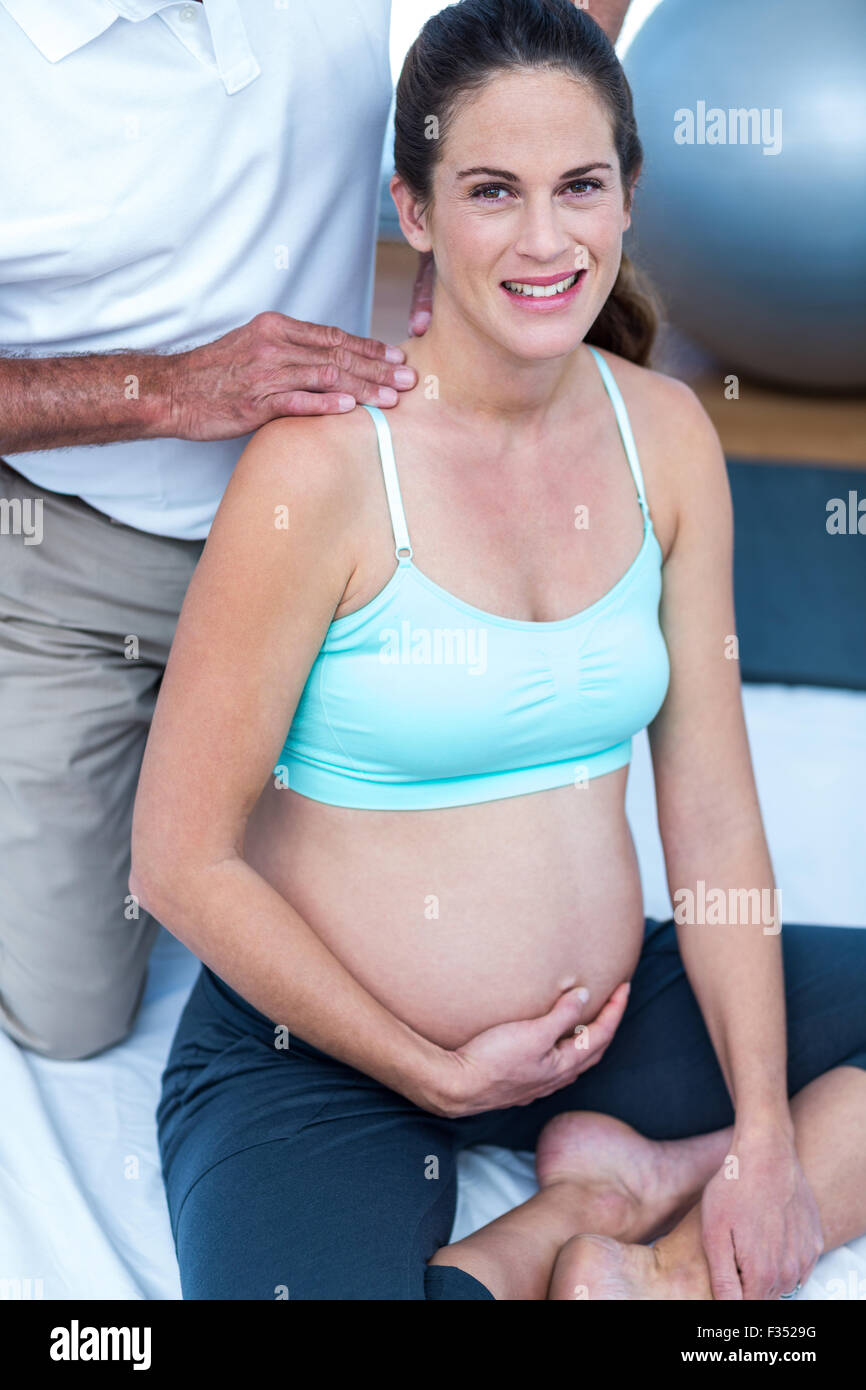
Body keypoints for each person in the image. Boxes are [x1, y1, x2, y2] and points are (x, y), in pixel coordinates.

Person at [130, 0, 866, 1300]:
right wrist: (431, 1068)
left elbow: (709, 811)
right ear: (412, 211)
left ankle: (649, 1258)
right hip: (321, 1052)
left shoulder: (666, 435)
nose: (544, 239)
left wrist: (761, 1125)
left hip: (604, 1024)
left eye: (578, 185)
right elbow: (176, 857)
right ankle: (571, 1209)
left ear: (627, 196)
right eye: (490, 190)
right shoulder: (321, 467)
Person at [0, 0, 421, 1061]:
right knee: (69, 1018)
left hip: (322, 546)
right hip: (62, 556)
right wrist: (167, 390)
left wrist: (494, 181)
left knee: (423, 947)